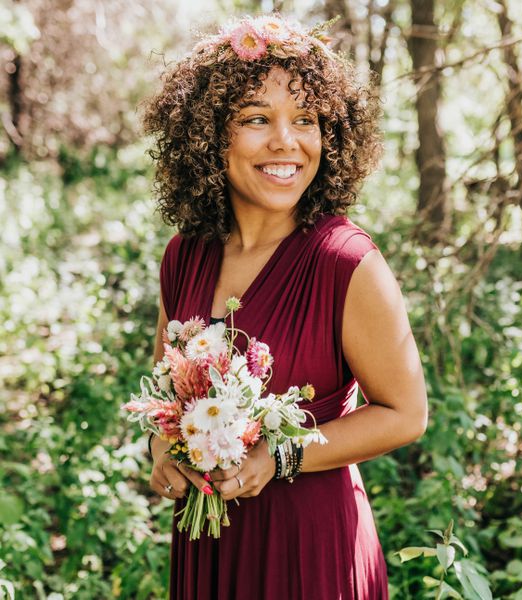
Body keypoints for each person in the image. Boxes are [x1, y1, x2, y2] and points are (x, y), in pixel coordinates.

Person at [142, 14, 428, 600]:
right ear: (208, 134)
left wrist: (282, 456)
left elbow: (406, 414)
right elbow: (164, 395)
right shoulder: (185, 255)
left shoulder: (345, 262)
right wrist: (163, 451)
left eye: (306, 119)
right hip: (209, 541)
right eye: (255, 119)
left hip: (311, 546)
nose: (286, 141)